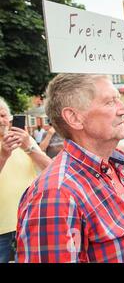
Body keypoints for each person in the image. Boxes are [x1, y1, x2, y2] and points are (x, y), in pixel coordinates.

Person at [16, 74, 124, 263]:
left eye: (118, 100)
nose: (123, 110)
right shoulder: (56, 194)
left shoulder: (110, 166)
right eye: (110, 102)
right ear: (74, 118)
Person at [0, 97, 51, 263]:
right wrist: (3, 155)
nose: (1, 120)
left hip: (31, 223)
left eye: (3, 115)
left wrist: (29, 147)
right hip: (2, 231)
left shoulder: (24, 140)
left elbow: (51, 169)